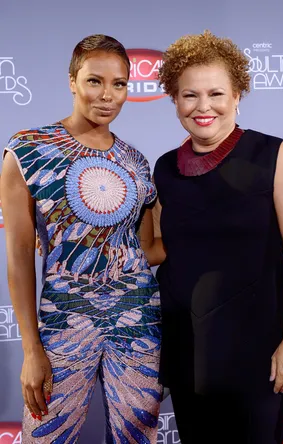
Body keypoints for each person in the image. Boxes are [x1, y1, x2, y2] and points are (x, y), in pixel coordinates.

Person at [152, 31, 283, 443]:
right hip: (190, 349)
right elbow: (155, 249)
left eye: (216, 93)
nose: (203, 107)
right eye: (189, 95)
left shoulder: (272, 155)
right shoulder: (165, 169)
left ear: (238, 95)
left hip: (260, 348)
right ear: (174, 99)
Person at [1, 34, 164, 443]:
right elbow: (20, 256)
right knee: (46, 434)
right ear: (72, 81)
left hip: (137, 317)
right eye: (95, 81)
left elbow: (147, 249)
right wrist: (31, 349)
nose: (107, 95)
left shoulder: (135, 161)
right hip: (64, 317)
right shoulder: (28, 150)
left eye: (119, 84)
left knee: (137, 438)